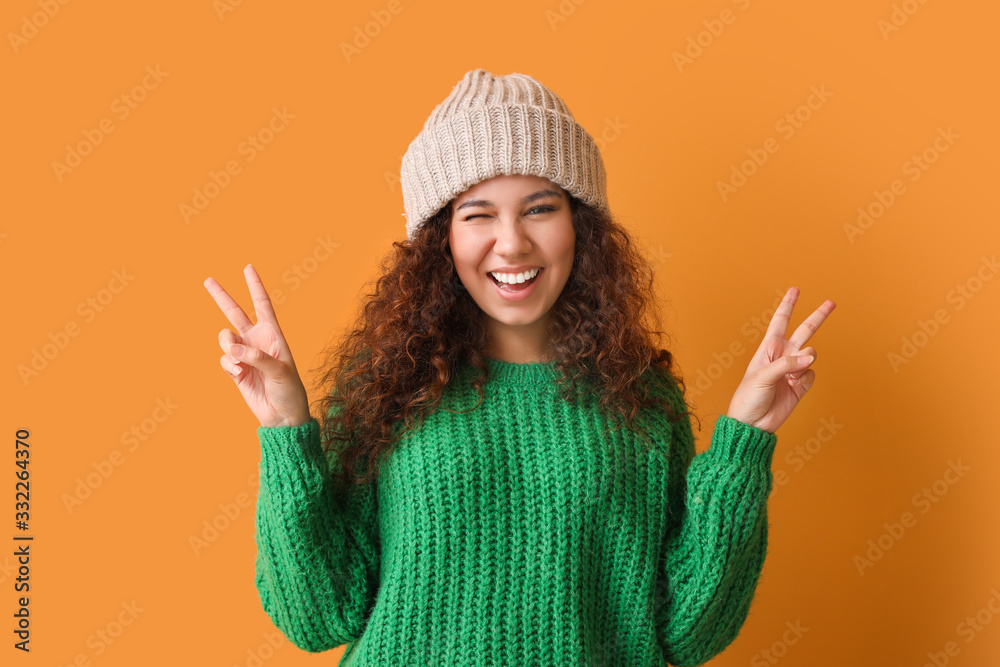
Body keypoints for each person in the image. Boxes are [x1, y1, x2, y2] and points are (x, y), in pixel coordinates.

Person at [203, 68, 835, 667]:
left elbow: (690, 633)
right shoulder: (384, 388)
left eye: (540, 208)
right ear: (438, 238)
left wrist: (745, 443)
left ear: (581, 226)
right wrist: (286, 428)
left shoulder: (638, 395)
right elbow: (318, 617)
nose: (512, 243)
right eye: (477, 214)